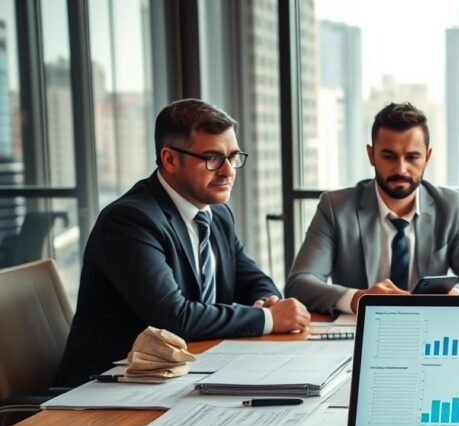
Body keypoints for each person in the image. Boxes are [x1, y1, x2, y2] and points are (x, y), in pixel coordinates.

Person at [55, 99, 310, 387]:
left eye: (233, 156)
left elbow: (252, 279)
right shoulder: (129, 220)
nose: (228, 171)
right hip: (110, 386)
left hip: (190, 373)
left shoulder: (217, 213)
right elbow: (174, 318)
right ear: (170, 159)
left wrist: (267, 301)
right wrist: (268, 319)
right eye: (212, 158)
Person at [286, 102, 459, 314]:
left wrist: (455, 295)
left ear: (427, 157)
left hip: (425, 328)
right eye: (389, 156)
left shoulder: (451, 207)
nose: (400, 168)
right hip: (357, 333)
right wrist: (359, 299)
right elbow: (299, 283)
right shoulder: (335, 207)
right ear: (371, 155)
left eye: (412, 157)